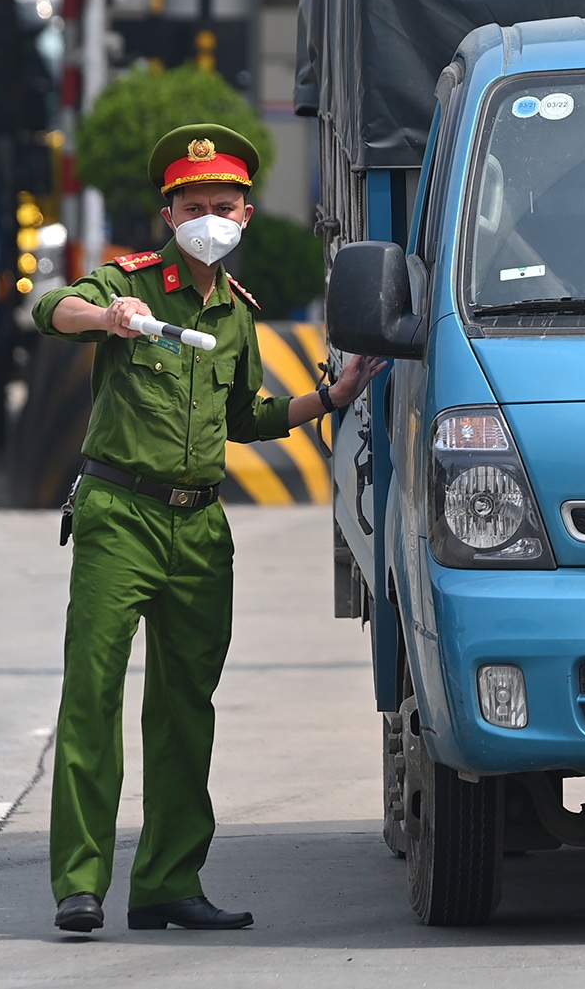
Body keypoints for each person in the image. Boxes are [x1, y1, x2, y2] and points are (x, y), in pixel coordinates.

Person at [32, 124, 381, 935]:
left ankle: (166, 882)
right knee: (93, 694)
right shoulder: (133, 285)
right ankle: (80, 883)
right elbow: (54, 306)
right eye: (194, 205)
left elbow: (246, 417)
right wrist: (107, 317)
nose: (209, 216)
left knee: (187, 706)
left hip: (199, 528)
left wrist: (330, 396)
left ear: (246, 215)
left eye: (223, 204)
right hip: (119, 515)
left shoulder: (235, 316)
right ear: (168, 213)